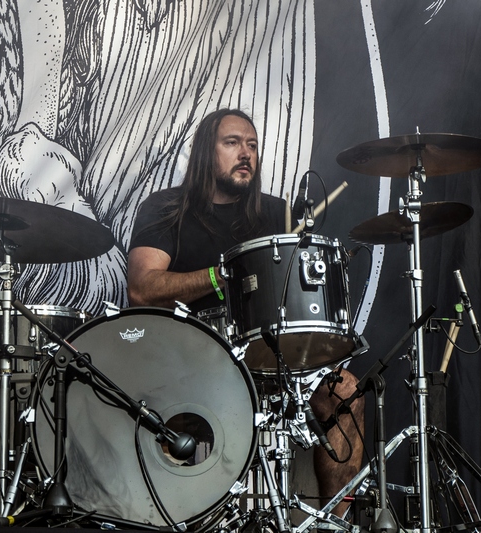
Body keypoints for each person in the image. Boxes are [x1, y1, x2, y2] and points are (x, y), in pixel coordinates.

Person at [127, 108, 364, 519]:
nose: (246, 154)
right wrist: (220, 277)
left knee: (346, 391)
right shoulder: (167, 208)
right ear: (206, 152)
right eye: (233, 143)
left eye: (252, 145)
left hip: (270, 360)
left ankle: (332, 524)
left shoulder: (277, 214)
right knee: (154, 415)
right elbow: (141, 287)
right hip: (188, 359)